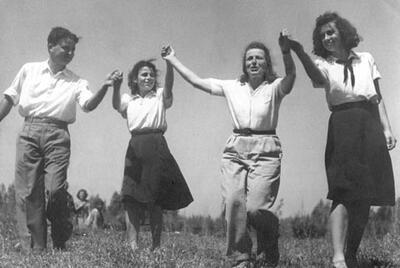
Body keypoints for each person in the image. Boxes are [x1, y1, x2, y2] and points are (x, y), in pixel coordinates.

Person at [162, 31, 296, 268]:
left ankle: (268, 245)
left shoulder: (274, 88)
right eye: (249, 59)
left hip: (266, 149)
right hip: (235, 149)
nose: (254, 62)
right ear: (245, 65)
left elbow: (291, 76)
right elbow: (197, 81)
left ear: (267, 64)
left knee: (256, 209)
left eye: (259, 58)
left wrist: (286, 51)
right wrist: (172, 59)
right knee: (234, 201)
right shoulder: (232, 86)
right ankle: (239, 258)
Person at [287, 12, 396, 268]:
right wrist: (301, 52)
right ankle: (338, 257)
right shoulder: (324, 64)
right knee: (343, 192)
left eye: (331, 32)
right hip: (343, 125)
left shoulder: (367, 59)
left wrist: (387, 129)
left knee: (366, 195)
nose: (326, 38)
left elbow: (377, 97)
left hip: (370, 126)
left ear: (343, 33)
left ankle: (352, 254)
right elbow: (315, 77)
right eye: (322, 35)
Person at [0, 26, 119, 252]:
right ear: (50, 46)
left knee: (55, 190)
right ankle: (34, 247)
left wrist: (104, 86)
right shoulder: (29, 69)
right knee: (28, 191)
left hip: (58, 135)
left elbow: (88, 105)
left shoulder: (77, 81)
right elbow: (9, 97)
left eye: (73, 50)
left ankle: (61, 234)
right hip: (29, 131)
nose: (70, 53)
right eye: (66, 48)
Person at [112, 56, 193, 252]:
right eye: (144, 74)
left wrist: (169, 64)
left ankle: (156, 246)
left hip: (156, 145)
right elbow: (116, 106)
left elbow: (169, 86)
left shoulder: (159, 95)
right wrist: (115, 87)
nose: (148, 78)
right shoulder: (128, 98)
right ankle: (132, 244)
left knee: (155, 198)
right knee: (131, 196)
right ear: (134, 80)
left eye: (151, 75)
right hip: (135, 146)